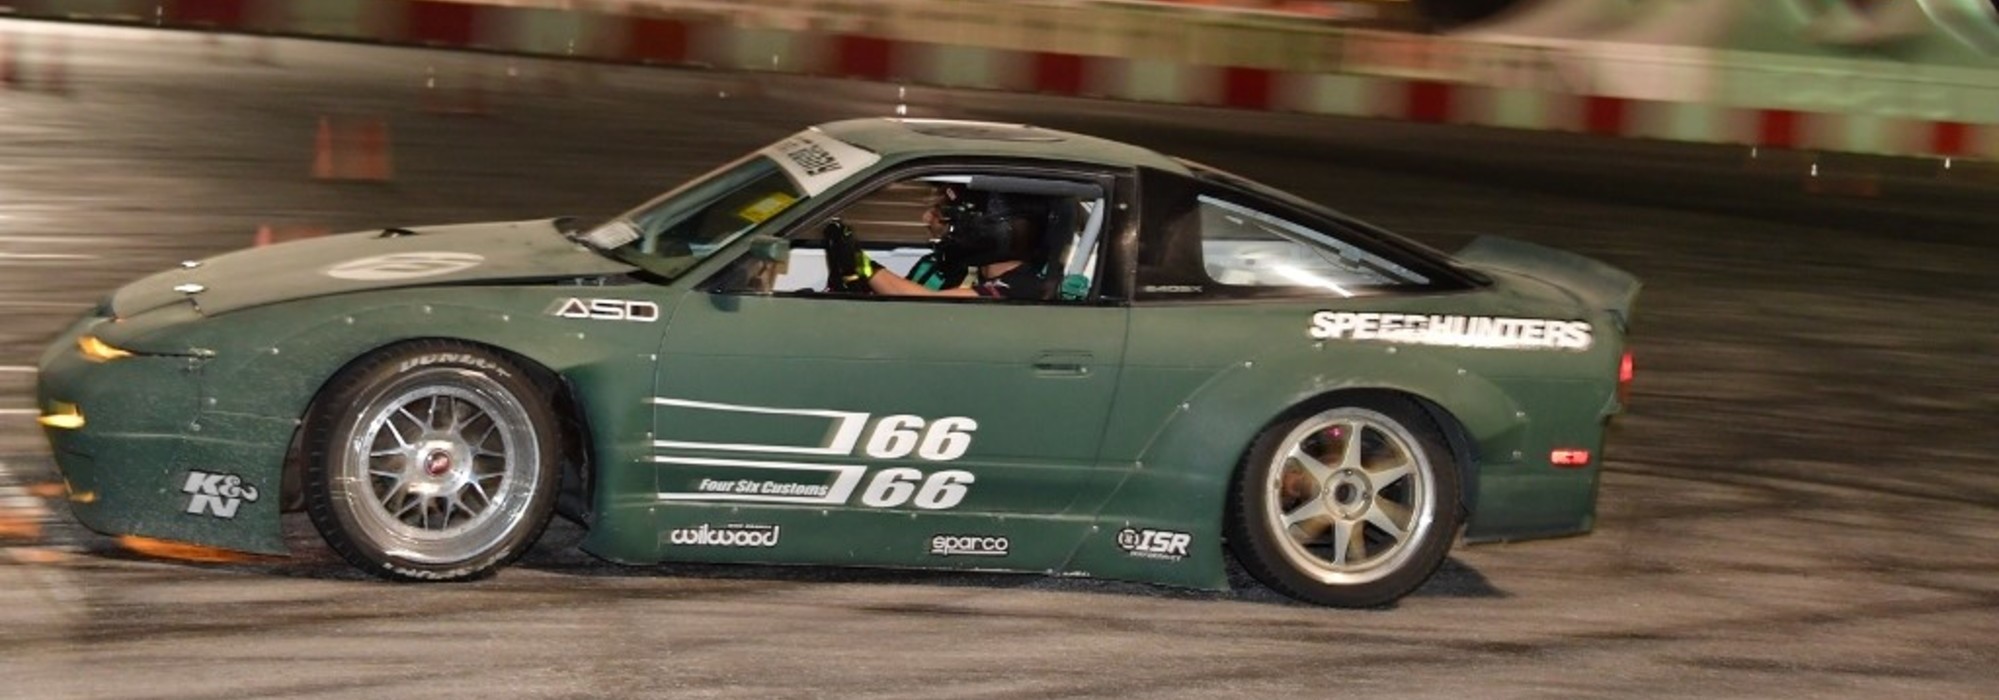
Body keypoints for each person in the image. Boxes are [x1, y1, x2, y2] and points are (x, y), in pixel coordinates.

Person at [823, 184, 1056, 300]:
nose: (927, 219)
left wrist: (863, 265)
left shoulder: (1022, 289)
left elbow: (930, 306)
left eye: (942, 215)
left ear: (991, 231)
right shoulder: (953, 270)